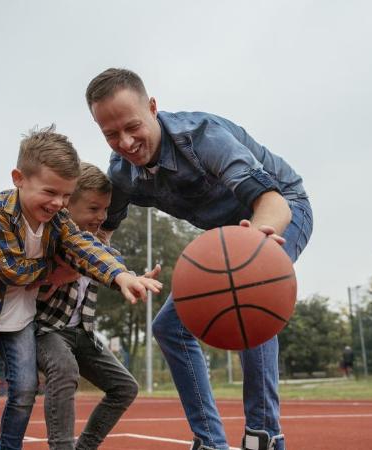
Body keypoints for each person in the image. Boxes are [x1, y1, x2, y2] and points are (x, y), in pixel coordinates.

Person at [86, 68, 313, 450]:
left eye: (132, 126)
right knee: (168, 328)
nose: (124, 142)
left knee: (247, 300)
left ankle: (264, 436)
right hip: (226, 237)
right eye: (110, 134)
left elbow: (271, 202)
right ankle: (210, 441)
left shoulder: (203, 138)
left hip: (281, 210)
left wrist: (256, 245)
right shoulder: (122, 173)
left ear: (153, 108)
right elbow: (101, 232)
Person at [0, 125, 162, 450]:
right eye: (51, 192)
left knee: (24, 392)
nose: (58, 203)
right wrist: (61, 269)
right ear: (19, 178)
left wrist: (121, 276)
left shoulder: (59, 220)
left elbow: (86, 247)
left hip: (20, 319)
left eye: (65, 195)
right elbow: (14, 271)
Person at [35, 162, 158, 450]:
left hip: (81, 332)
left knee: (125, 387)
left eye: (105, 210)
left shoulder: (98, 243)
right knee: (65, 369)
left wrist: (132, 278)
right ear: (67, 206)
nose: (101, 217)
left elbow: (106, 260)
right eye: (93, 209)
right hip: (46, 330)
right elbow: (85, 259)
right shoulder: (52, 237)